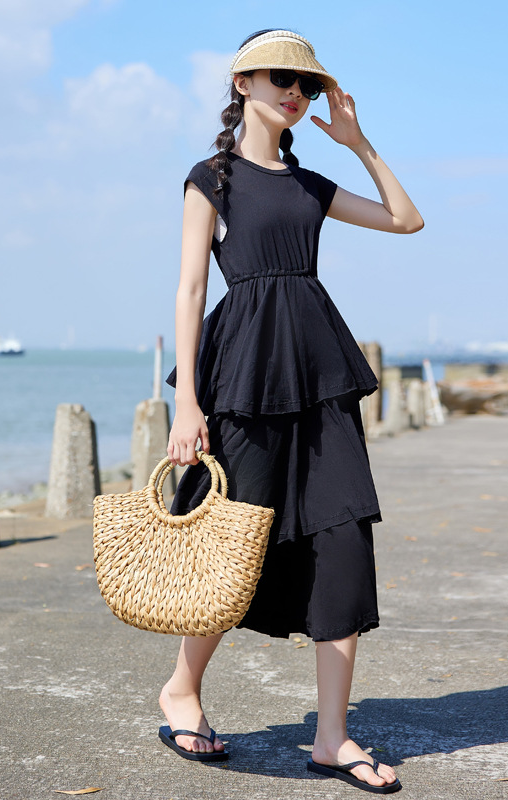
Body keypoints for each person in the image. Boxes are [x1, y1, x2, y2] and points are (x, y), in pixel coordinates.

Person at [161, 29, 423, 794]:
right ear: (243, 82)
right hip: (243, 367)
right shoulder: (212, 177)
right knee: (232, 541)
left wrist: (360, 142)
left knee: (344, 536)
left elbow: (406, 221)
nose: (296, 94)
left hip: (318, 368)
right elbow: (187, 291)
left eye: (305, 86)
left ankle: (333, 737)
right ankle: (181, 689)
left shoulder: (311, 186)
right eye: (282, 79)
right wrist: (187, 404)